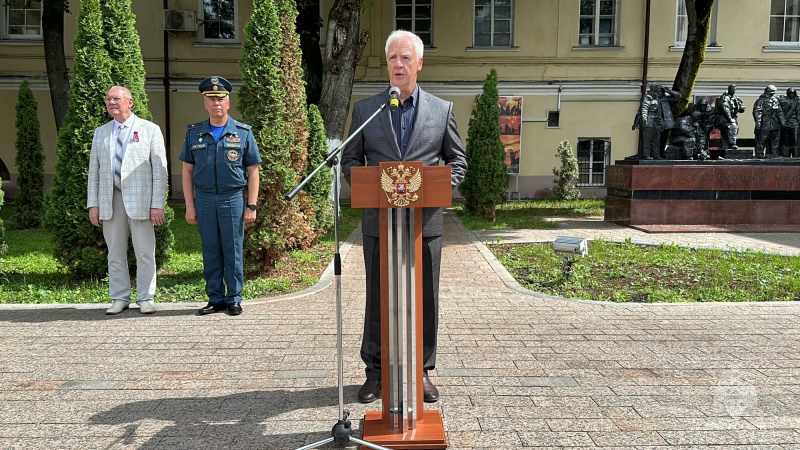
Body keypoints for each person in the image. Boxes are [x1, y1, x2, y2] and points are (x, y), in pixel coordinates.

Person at [341, 30, 468, 404]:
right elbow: (351, 160)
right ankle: (376, 372)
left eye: (405, 58)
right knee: (378, 298)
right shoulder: (367, 110)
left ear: (419, 64)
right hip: (379, 225)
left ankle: (422, 371)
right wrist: (363, 183)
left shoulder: (441, 110)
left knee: (425, 298)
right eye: (393, 58)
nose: (398, 64)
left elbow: (457, 160)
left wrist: (441, 186)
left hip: (424, 225)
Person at [179, 76, 262, 316]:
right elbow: (187, 171)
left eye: (221, 98)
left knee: (233, 248)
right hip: (204, 199)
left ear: (228, 102)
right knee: (210, 248)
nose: (216, 103)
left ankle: (234, 297)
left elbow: (253, 170)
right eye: (211, 99)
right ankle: (215, 298)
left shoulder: (243, 133)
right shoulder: (195, 133)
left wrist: (252, 205)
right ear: (205, 103)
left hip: (232, 198)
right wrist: (189, 206)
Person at [87, 86, 168, 315]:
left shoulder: (149, 130)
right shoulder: (101, 133)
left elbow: (159, 171)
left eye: (116, 98)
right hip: (110, 200)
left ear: (130, 102)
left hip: (141, 200)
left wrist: (157, 204)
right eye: (108, 99)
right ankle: (119, 297)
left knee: (144, 251)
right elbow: (94, 172)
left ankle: (146, 297)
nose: (111, 102)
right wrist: (93, 204)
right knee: (115, 252)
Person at [639, 83, 680, 160]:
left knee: (662, 140)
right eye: (657, 91)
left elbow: (678, 97)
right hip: (654, 122)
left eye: (660, 91)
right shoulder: (651, 99)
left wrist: (669, 91)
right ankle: (649, 155)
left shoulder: (666, 100)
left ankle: (660, 154)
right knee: (650, 139)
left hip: (665, 123)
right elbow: (643, 109)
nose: (658, 93)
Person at [753, 85, 785, 158]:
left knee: (775, 139)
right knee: (762, 139)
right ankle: (759, 154)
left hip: (775, 122)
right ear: (768, 92)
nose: (774, 93)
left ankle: (775, 154)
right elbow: (757, 112)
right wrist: (758, 122)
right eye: (772, 92)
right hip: (765, 122)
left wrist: (783, 121)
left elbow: (780, 111)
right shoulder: (761, 100)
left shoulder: (775, 100)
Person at [715, 84, 746, 151]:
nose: (734, 91)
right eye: (732, 89)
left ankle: (725, 147)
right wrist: (729, 118)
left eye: (734, 89)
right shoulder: (724, 98)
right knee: (732, 127)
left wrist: (740, 107)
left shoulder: (735, 97)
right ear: (729, 89)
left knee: (733, 131)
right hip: (723, 119)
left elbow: (742, 107)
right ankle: (732, 144)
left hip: (732, 118)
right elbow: (725, 109)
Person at [778, 87, 800, 157]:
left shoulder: (798, 101)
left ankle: (796, 156)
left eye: (793, 93)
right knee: (785, 141)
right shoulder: (782, 99)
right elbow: (779, 111)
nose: (791, 95)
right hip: (785, 122)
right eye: (790, 93)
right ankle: (785, 156)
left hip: (795, 123)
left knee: (796, 141)